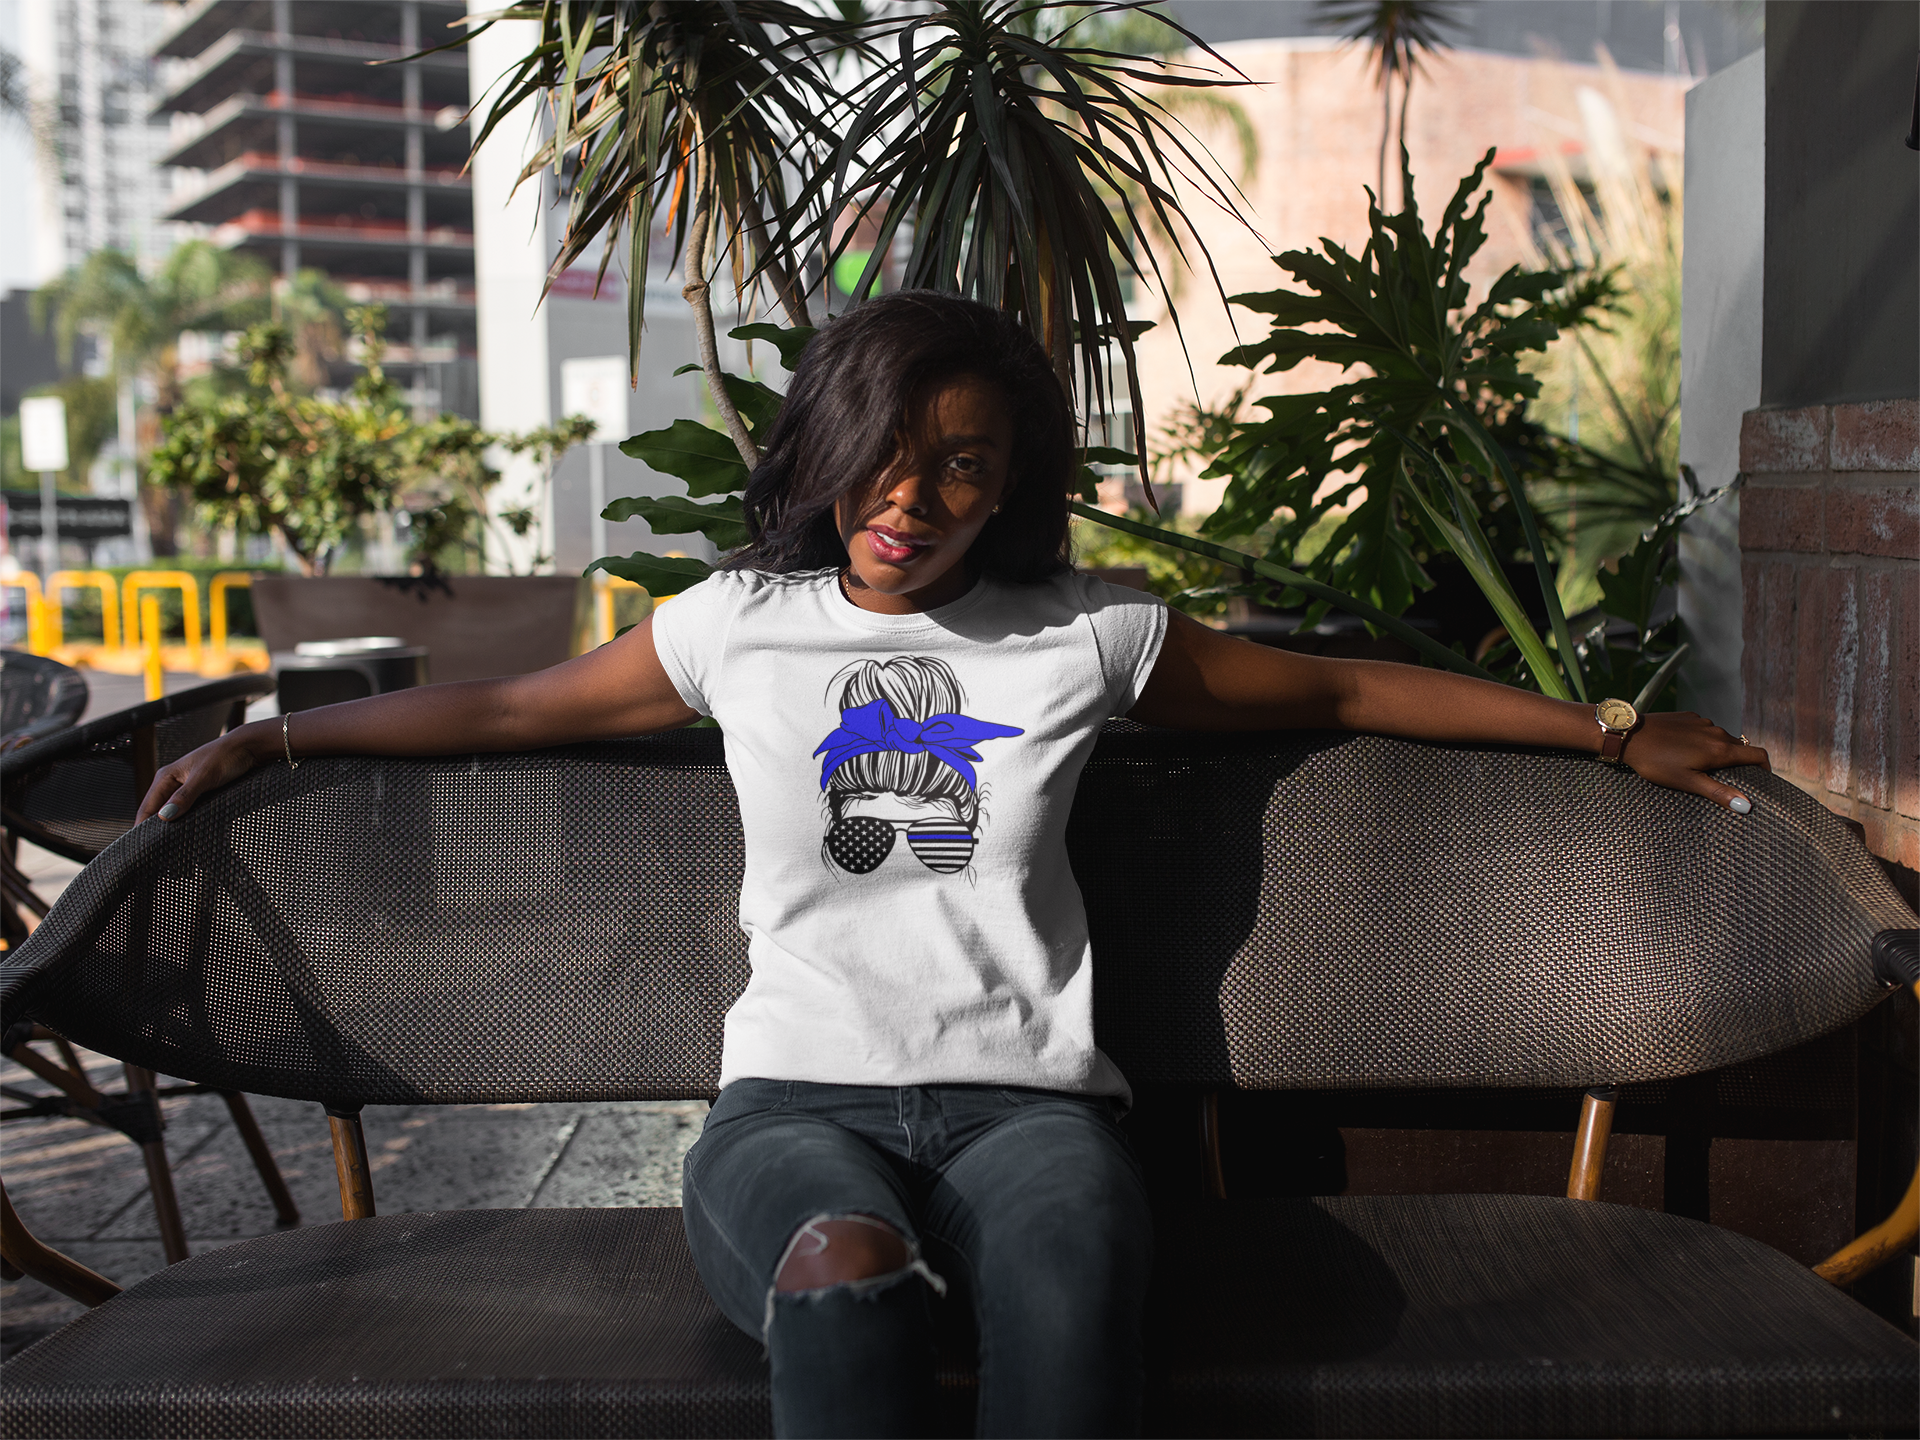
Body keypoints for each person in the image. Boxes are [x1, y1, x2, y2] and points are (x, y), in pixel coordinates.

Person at [138, 291, 1769, 1439]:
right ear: (828, 443)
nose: (912, 497)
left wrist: (1613, 728)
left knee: (1067, 1279)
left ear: (1014, 488)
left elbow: (1341, 686)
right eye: (884, 447)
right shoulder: (739, 627)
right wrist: (273, 742)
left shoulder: (1082, 635)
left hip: (1032, 1110)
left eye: (967, 464)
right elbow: (504, 703)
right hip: (791, 1111)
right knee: (846, 1282)